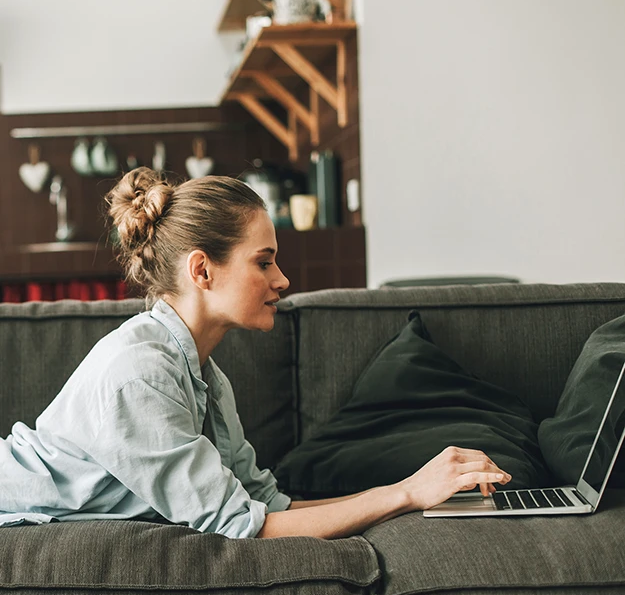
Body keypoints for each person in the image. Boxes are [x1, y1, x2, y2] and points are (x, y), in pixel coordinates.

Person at [0, 167, 511, 538]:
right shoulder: (140, 374)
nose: (282, 280)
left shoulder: (205, 377)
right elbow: (243, 528)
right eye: (263, 262)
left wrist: (414, 494)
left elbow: (266, 505)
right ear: (202, 271)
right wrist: (405, 494)